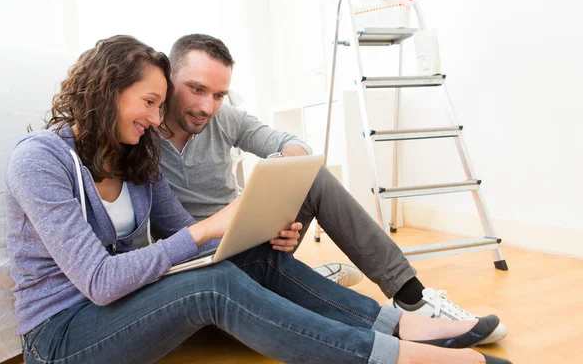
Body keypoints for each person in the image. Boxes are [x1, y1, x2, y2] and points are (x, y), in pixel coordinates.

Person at [5, 35, 510, 364]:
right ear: (107, 90)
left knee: (245, 259)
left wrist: (250, 234)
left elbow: (193, 241)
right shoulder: (40, 161)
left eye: (161, 104)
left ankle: (402, 322)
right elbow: (98, 281)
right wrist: (209, 228)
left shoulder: (136, 155)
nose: (158, 118)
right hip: (61, 336)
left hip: (126, 306)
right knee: (215, 285)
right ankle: (393, 357)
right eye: (150, 102)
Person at [159, 34, 507, 344]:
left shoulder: (226, 117)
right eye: (197, 89)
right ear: (169, 78)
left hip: (245, 240)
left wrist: (278, 211)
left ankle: (411, 295)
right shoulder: (139, 133)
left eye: (219, 94)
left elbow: (293, 144)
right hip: (195, 258)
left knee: (313, 177)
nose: (208, 106)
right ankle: (320, 282)